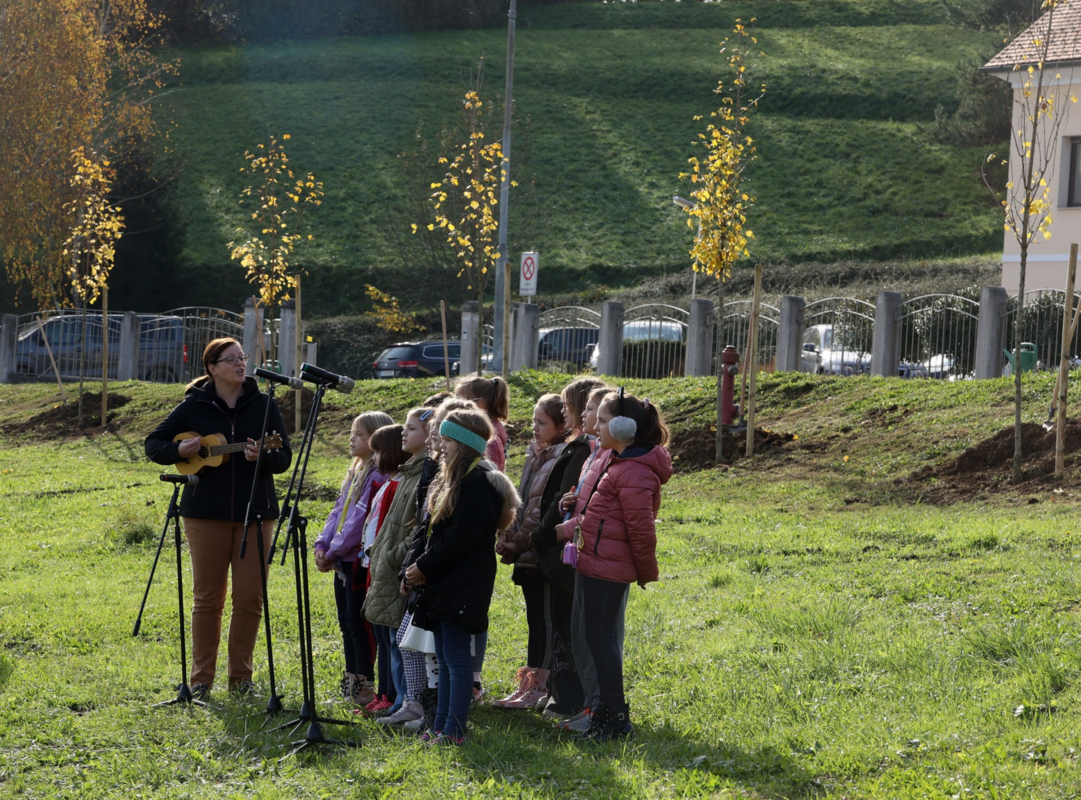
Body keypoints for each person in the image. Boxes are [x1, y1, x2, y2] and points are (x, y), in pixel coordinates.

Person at [144, 337, 292, 699]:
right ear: (212, 368)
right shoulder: (194, 406)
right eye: (232, 359)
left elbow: (284, 455)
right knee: (208, 598)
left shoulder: (264, 404)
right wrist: (178, 449)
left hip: (256, 513)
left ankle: (241, 679)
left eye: (243, 358)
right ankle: (201, 680)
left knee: (249, 598)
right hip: (204, 515)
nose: (241, 364)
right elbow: (154, 444)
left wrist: (263, 458)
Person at [559, 388, 671, 741]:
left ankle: (615, 717)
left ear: (624, 428)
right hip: (597, 562)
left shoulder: (634, 471)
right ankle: (608, 714)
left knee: (602, 640)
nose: (596, 426)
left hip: (610, 567)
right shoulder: (619, 462)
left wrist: (644, 572)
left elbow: (642, 529)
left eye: (604, 421)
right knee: (597, 639)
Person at [405, 409, 519, 745]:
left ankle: (454, 730)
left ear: (464, 443)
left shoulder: (477, 483)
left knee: (456, 661)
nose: (438, 445)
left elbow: (460, 538)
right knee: (444, 657)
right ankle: (439, 726)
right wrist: (420, 565)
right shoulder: (452, 478)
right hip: (444, 580)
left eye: (446, 439)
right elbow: (432, 532)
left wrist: (424, 567)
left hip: (462, 581)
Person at [526, 378, 609, 722]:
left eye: (569, 405)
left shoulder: (583, 451)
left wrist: (539, 537)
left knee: (571, 629)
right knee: (562, 625)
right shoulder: (580, 450)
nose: (564, 410)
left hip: (568, 551)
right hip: (560, 547)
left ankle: (574, 698)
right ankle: (567, 695)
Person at [492, 394, 569, 710]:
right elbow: (523, 502)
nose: (535, 428)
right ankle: (528, 686)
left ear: (562, 425)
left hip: (539, 552)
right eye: (535, 421)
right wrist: (508, 533)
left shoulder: (559, 457)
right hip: (525, 550)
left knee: (545, 623)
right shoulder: (536, 455)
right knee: (534, 621)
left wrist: (521, 542)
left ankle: (541, 687)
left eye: (542, 423)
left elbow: (542, 511)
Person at [312, 411, 393, 706]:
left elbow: (358, 520)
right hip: (341, 558)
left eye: (359, 435)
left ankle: (364, 684)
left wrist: (332, 550)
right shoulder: (356, 471)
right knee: (346, 620)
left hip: (357, 560)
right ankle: (351, 681)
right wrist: (322, 544)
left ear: (375, 439)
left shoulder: (377, 475)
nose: (351, 438)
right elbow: (338, 511)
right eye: (352, 432)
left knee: (360, 623)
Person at [362, 409, 432, 720]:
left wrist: (391, 555)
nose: (403, 433)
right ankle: (397, 699)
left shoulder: (421, 477)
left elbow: (417, 528)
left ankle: (405, 700)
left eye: (412, 428)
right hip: (389, 564)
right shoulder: (407, 473)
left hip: (399, 567)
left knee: (398, 641)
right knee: (390, 639)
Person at [346, 425, 408, 713]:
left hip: (387, 566)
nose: (376, 455)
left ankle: (394, 697)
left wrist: (384, 557)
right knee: (383, 635)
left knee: (390, 637)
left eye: (380, 449)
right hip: (375, 564)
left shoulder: (398, 484)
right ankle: (384, 696)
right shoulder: (389, 483)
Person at [454, 375, 509, 470]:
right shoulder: (482, 430)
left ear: (478, 406)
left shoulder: (489, 438)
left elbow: (489, 474)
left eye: (459, 401)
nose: (454, 406)